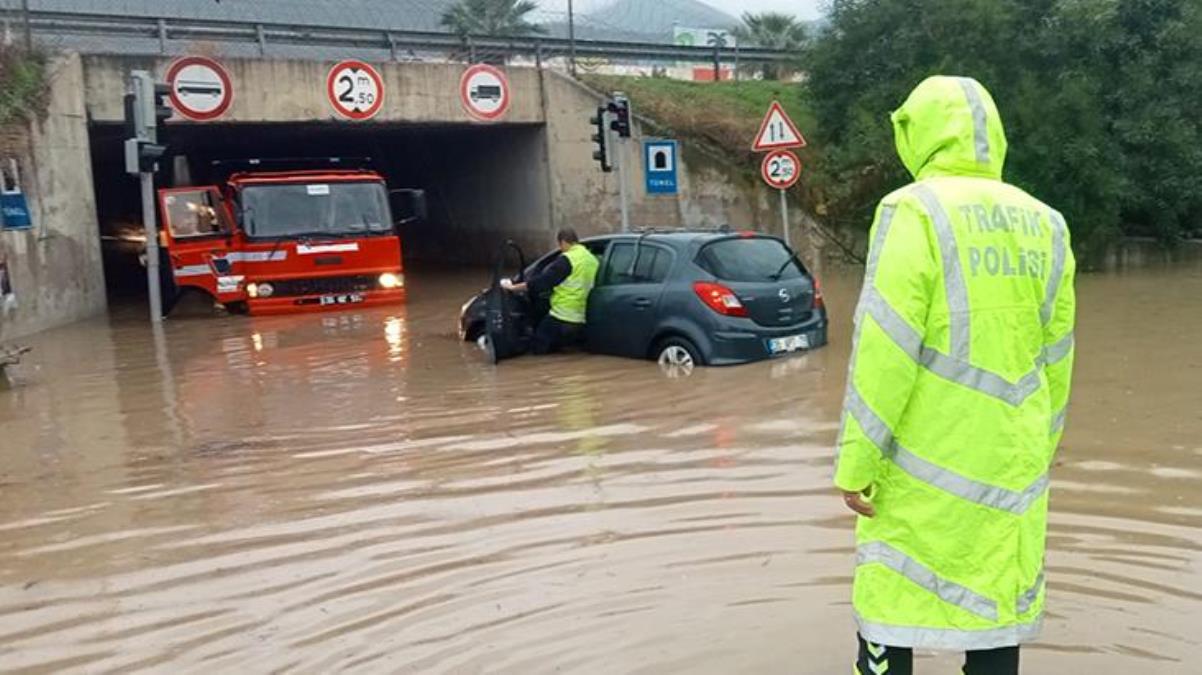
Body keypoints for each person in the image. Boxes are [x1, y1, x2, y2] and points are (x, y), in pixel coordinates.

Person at [834, 76, 1076, 675]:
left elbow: (884, 349)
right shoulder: (1047, 223)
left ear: (915, 134)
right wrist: (1037, 454)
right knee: (993, 616)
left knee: (890, 607)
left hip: (920, 468)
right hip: (1008, 469)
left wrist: (855, 465)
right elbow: (1058, 359)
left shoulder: (911, 211)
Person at [501, 227, 599, 355]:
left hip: (561, 316)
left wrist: (513, 287)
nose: (561, 249)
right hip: (580, 318)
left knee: (537, 349)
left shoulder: (568, 259)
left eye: (560, 245)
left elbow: (542, 282)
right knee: (562, 352)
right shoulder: (592, 260)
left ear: (563, 242)